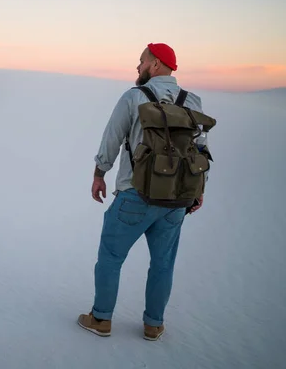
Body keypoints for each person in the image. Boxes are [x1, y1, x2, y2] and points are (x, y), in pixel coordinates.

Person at [77, 42, 210, 341]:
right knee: (163, 263)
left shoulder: (134, 96)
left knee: (111, 257)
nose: (137, 67)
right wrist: (199, 190)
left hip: (134, 195)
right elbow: (201, 149)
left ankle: (101, 319)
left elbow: (112, 137)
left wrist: (100, 174)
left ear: (156, 64)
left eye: (141, 61)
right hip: (177, 199)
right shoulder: (193, 102)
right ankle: (153, 325)